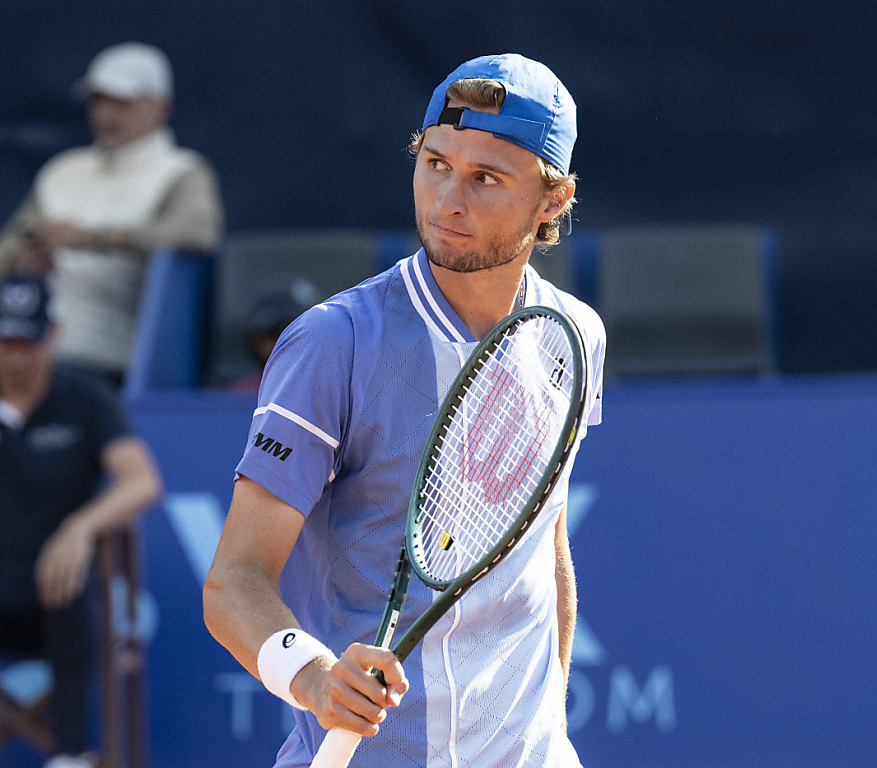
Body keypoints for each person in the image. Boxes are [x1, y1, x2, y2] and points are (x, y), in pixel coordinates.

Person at [203, 53, 606, 768]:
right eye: (435, 164)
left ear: (553, 200)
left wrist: (554, 732)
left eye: (485, 179)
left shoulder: (574, 336)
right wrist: (316, 678)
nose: (447, 201)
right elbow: (234, 581)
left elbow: (546, 550)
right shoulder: (333, 342)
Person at [0, 274, 163, 768]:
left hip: (52, 595)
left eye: (27, 342)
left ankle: (67, 754)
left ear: (53, 334)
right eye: (5, 342)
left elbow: (142, 481)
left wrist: (78, 529)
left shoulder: (85, 397)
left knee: (73, 587)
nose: (16, 358)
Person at [0, 41, 224, 384]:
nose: (105, 116)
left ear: (159, 107)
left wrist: (94, 239)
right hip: (20, 316)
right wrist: (22, 262)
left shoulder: (183, 172)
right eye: (99, 101)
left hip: (104, 333)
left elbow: (197, 233)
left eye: (121, 103)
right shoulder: (62, 170)